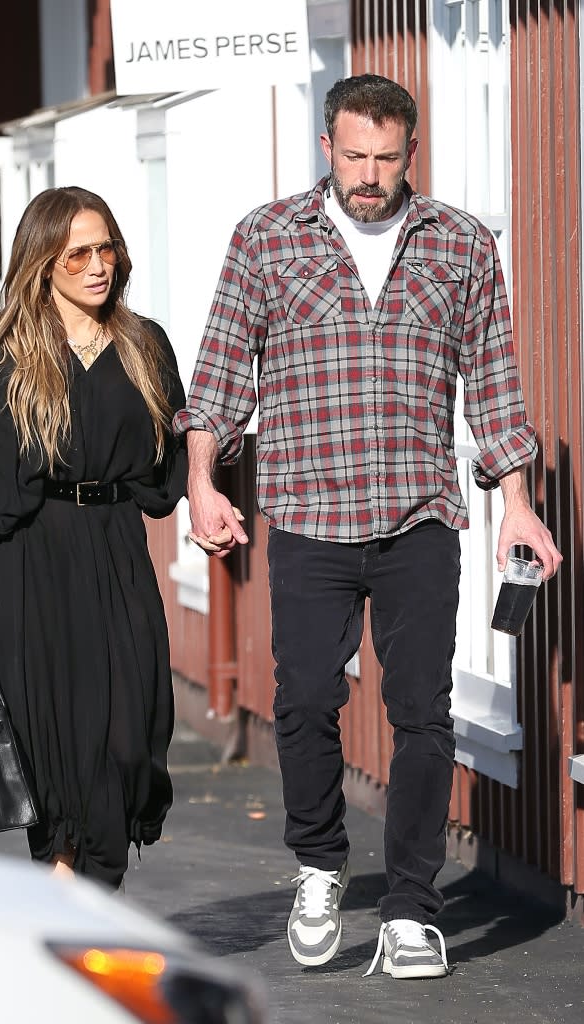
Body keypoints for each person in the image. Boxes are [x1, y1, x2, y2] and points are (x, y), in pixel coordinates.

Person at [173, 74, 562, 977]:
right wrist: (201, 482)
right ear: (326, 148)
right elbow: (221, 373)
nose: (369, 175)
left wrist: (516, 500)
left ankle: (411, 909)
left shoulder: (460, 245)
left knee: (421, 711)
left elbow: (494, 387)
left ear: (410, 153)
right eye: (354, 156)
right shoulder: (266, 239)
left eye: (386, 158)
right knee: (305, 698)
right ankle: (318, 861)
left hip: (419, 515)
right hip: (308, 515)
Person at [0, 186, 187, 892]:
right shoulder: (6, 359)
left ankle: (80, 899)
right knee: (54, 746)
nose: (95, 265)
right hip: (31, 564)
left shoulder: (144, 345)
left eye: (104, 248)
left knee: (125, 741)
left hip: (116, 553)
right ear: (43, 263)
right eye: (76, 252)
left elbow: (169, 462)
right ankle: (67, 903)